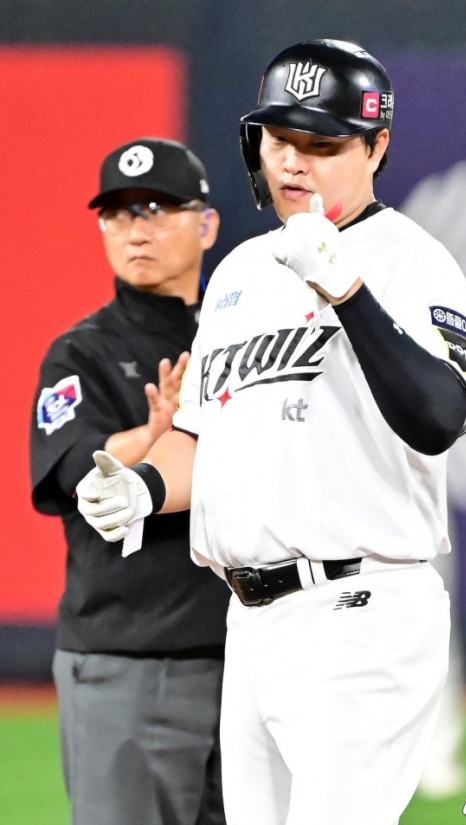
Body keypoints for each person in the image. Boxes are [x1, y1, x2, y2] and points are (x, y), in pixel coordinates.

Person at [75, 41, 466, 825]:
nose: (293, 161)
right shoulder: (239, 272)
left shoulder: (411, 261)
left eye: (321, 142)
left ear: (376, 147)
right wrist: (143, 487)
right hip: (252, 620)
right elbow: (202, 434)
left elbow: (443, 418)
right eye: (279, 137)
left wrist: (347, 289)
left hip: (361, 611)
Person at [30, 137, 230, 825]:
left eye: (157, 209)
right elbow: (75, 466)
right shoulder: (80, 352)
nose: (135, 230)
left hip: (247, 658)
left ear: (207, 225)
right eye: (117, 213)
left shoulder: (240, 341)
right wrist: (152, 439)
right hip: (130, 661)